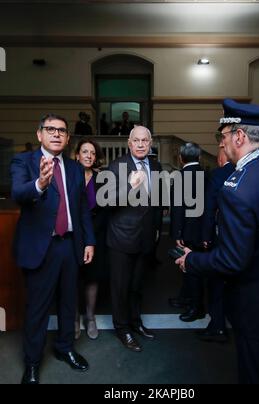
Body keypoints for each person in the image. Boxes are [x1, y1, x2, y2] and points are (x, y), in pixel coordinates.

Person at [175, 99, 259, 384]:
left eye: (224, 136)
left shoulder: (238, 187)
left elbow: (232, 259)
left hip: (258, 309)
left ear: (239, 137)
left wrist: (191, 260)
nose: (222, 143)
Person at [11, 114, 96, 385]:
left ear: (68, 138)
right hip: (41, 248)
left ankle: (65, 348)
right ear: (39, 134)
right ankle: (33, 363)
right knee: (37, 309)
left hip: (70, 245)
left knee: (69, 303)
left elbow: (82, 207)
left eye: (62, 130)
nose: (56, 134)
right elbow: (18, 193)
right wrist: (40, 184)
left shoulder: (73, 167)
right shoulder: (23, 161)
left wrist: (89, 240)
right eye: (50, 129)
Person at [106, 126, 161, 352]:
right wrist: (131, 186)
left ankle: (136, 322)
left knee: (137, 286)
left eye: (144, 141)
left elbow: (156, 202)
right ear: (129, 143)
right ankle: (122, 328)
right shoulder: (117, 166)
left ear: (150, 143)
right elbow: (107, 200)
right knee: (120, 287)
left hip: (146, 238)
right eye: (136, 140)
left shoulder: (155, 166)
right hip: (121, 238)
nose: (140, 144)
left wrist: (156, 228)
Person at [197, 144, 235, 342]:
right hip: (239, 241)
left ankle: (217, 326)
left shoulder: (219, 175)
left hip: (219, 240)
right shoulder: (245, 171)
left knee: (216, 284)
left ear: (222, 157)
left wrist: (206, 238)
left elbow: (209, 209)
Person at [169, 143, 206, 322]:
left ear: (181, 158)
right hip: (202, 232)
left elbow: (177, 209)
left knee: (190, 269)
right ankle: (186, 298)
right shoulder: (207, 175)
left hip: (187, 232)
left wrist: (177, 233)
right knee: (194, 268)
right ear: (199, 157)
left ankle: (195, 307)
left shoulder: (179, 176)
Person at [75, 139, 107, 341]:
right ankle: (74, 318)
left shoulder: (102, 179)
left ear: (96, 157)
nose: (88, 155)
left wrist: (92, 237)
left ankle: (90, 317)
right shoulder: (69, 176)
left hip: (96, 236)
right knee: (72, 279)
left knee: (93, 277)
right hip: (73, 236)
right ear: (77, 155)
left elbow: (105, 211)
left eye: (92, 153)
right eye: (84, 151)